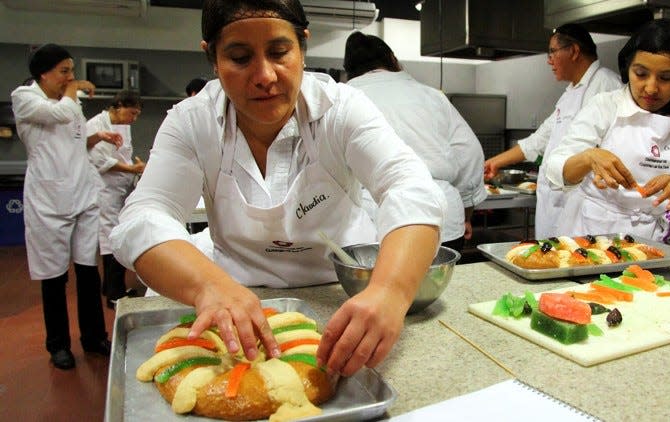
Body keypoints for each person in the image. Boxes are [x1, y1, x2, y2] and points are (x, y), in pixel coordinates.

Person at [110, 0, 445, 377]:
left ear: (303, 45)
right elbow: (145, 215)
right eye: (239, 58)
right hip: (235, 303)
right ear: (212, 58)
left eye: (279, 52)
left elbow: (408, 185)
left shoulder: (341, 109)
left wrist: (390, 291)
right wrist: (208, 287)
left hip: (343, 300)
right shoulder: (193, 122)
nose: (265, 75)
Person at [545, 19, 670, 241]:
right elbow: (556, 168)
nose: (651, 88)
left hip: (654, 239)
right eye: (641, 74)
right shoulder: (606, 105)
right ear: (628, 68)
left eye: (666, 78)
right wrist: (588, 158)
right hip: (592, 234)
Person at [11, 44, 121, 370]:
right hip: (49, 199)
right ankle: (58, 345)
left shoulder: (68, 102)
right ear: (43, 73)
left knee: (88, 271)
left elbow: (72, 140)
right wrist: (74, 91)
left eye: (71, 71)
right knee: (54, 276)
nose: (70, 78)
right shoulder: (25, 98)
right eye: (64, 71)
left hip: (83, 193)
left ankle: (94, 337)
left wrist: (96, 136)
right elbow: (61, 115)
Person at [343, 31, 486, 253]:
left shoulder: (342, 98)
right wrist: (466, 212)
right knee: (440, 287)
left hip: (372, 222)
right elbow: (469, 153)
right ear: (392, 58)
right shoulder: (432, 96)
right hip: (442, 219)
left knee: (377, 287)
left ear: (349, 69)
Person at [484, 24, 622, 239]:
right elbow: (539, 140)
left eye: (552, 52)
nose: (549, 60)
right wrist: (494, 163)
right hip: (554, 203)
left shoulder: (606, 85)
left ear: (574, 51)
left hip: (580, 206)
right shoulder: (570, 94)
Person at [86, 90, 146, 308]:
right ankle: (115, 294)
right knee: (112, 240)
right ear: (118, 106)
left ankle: (109, 286)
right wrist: (132, 169)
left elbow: (124, 154)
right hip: (103, 191)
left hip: (119, 188)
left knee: (114, 236)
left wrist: (134, 169)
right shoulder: (96, 125)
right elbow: (101, 161)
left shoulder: (122, 127)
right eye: (132, 113)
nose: (133, 119)